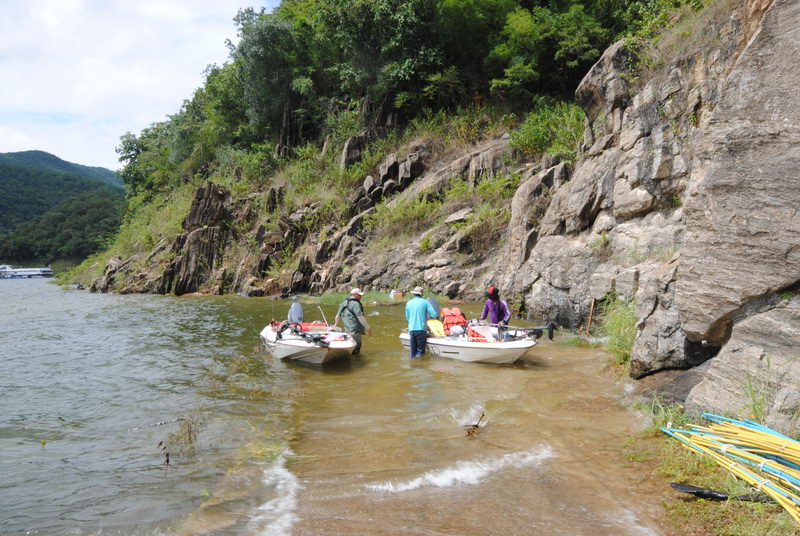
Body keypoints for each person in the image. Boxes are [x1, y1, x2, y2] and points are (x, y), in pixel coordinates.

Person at [333, 288, 371, 355]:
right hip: (356, 330)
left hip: (347, 329)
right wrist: (368, 328)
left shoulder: (344, 303)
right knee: (357, 347)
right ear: (354, 295)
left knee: (350, 345)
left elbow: (337, 316)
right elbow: (360, 317)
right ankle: (356, 361)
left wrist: (335, 324)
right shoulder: (356, 304)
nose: (361, 297)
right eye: (359, 295)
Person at [405, 286, 438, 359]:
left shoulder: (409, 303)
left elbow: (407, 318)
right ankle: (420, 366)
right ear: (421, 294)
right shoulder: (425, 302)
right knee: (420, 352)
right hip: (421, 329)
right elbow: (434, 314)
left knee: (412, 353)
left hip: (411, 329)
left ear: (414, 294)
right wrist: (431, 317)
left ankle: (412, 364)